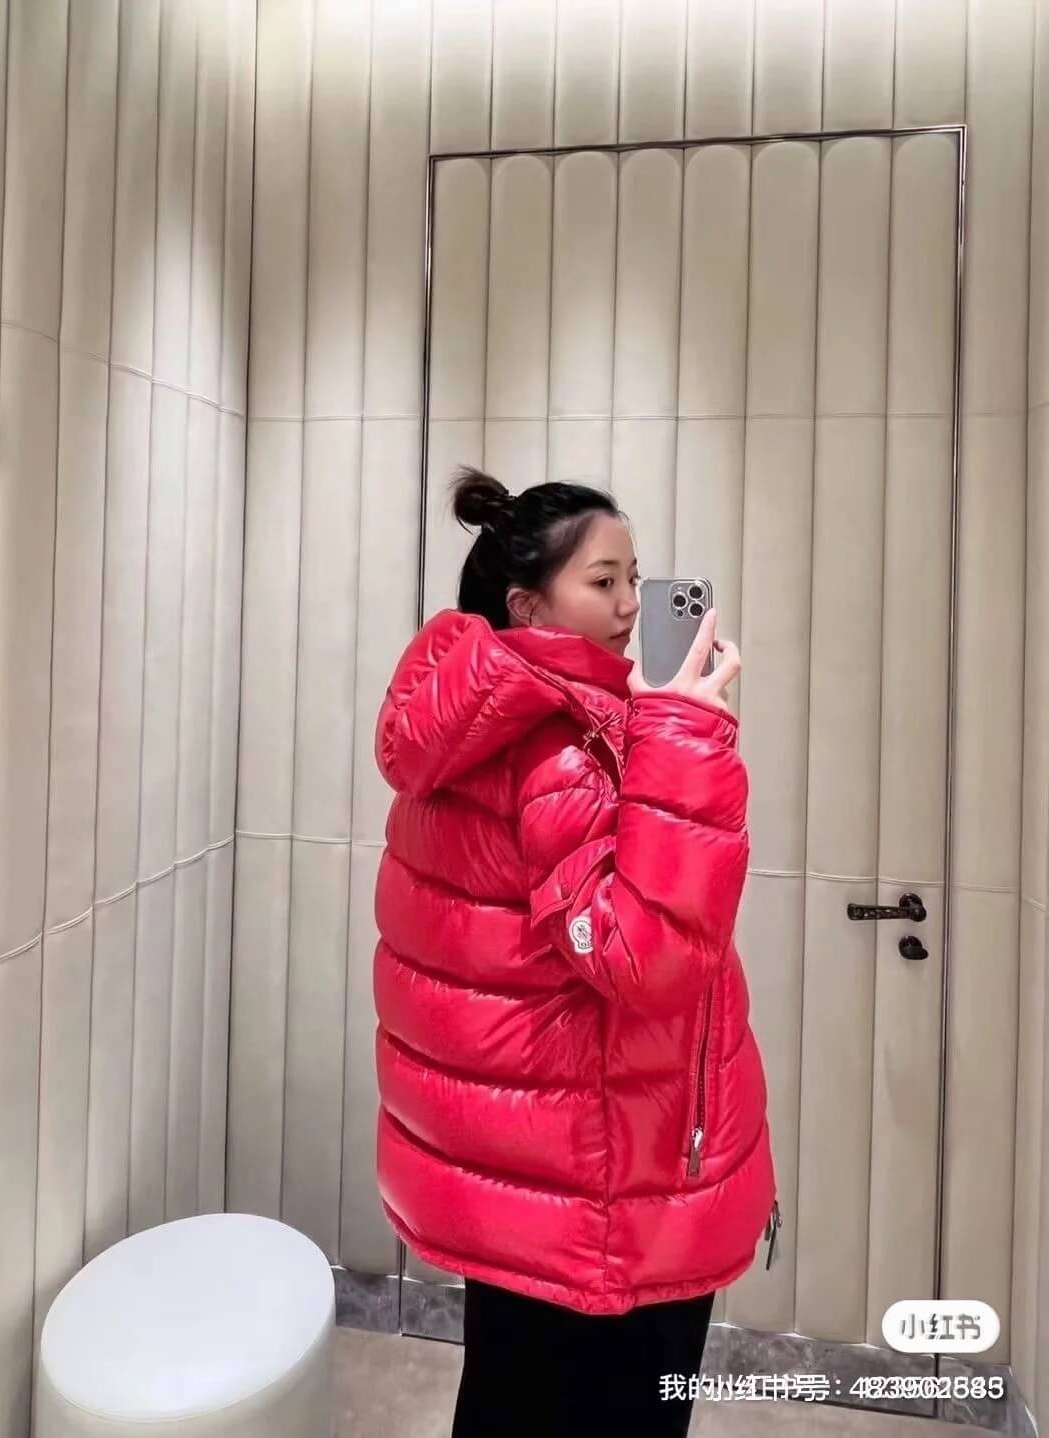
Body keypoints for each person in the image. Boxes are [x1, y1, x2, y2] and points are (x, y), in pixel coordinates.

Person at [372, 468, 778, 1437]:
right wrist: (685, 733)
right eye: (604, 583)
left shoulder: (487, 725)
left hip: (531, 1185)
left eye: (635, 579)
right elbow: (642, 954)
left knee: (510, 1401)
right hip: (600, 1202)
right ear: (527, 606)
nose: (633, 606)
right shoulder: (558, 745)